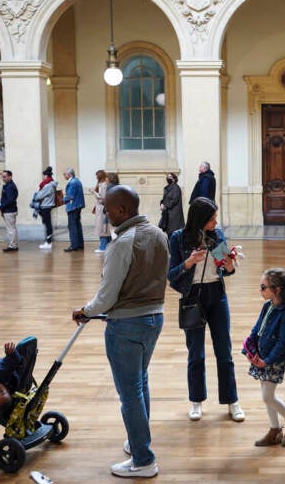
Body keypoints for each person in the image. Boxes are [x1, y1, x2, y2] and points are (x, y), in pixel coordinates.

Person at [71, 185, 169, 478]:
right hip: (155, 318)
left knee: (130, 393)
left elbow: (107, 297)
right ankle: (138, 440)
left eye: (108, 208)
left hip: (126, 325)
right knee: (140, 383)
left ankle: (143, 460)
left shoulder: (122, 243)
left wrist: (85, 311)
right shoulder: (159, 234)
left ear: (123, 210)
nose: (105, 212)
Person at [167, 198, 244, 422]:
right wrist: (189, 262)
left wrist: (229, 264)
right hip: (192, 297)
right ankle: (196, 401)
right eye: (211, 219)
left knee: (224, 351)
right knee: (196, 353)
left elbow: (226, 270)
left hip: (217, 296)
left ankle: (232, 401)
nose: (215, 222)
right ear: (199, 219)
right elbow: (171, 276)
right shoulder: (178, 238)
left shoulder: (216, 235)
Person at [244, 268, 285, 447]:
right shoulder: (267, 306)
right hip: (260, 357)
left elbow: (283, 343)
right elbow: (257, 329)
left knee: (268, 396)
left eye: (263, 287)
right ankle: (274, 429)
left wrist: (267, 360)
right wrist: (249, 347)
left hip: (273, 360)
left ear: (277, 290)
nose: (260, 290)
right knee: (266, 394)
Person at [62, 167, 85, 252]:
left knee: (72, 226)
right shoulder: (77, 181)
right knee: (77, 224)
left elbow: (70, 196)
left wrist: (62, 200)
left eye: (65, 174)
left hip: (73, 206)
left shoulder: (72, 182)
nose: (64, 176)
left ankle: (74, 245)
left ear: (69, 174)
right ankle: (79, 244)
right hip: (78, 205)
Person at [34, 167, 57, 250]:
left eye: (43, 175)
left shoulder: (48, 185)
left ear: (46, 176)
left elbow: (39, 196)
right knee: (47, 223)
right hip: (47, 205)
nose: (43, 177)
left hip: (46, 206)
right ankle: (48, 241)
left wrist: (36, 195)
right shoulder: (50, 184)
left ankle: (48, 242)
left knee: (47, 224)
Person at [0, 170, 19, 252]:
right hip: (9, 210)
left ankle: (13, 246)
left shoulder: (9, 186)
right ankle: (14, 244)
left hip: (9, 211)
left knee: (11, 229)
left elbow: (10, 200)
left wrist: (1, 206)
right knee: (12, 228)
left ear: (10, 176)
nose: (3, 178)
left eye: (5, 177)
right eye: (2, 177)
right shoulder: (9, 185)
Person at [158, 172, 185, 238]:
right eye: (168, 177)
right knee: (169, 233)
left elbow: (174, 200)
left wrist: (165, 205)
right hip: (168, 213)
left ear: (174, 179)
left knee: (173, 233)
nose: (168, 178)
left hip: (174, 214)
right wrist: (161, 203)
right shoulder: (167, 188)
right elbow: (165, 199)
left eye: (170, 177)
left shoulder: (176, 188)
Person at [92, 170, 111, 253]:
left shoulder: (103, 185)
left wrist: (94, 193)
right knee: (104, 228)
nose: (96, 177)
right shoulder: (102, 184)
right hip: (101, 209)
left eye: (96, 175)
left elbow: (102, 199)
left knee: (103, 228)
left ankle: (103, 246)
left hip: (102, 209)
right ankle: (107, 245)